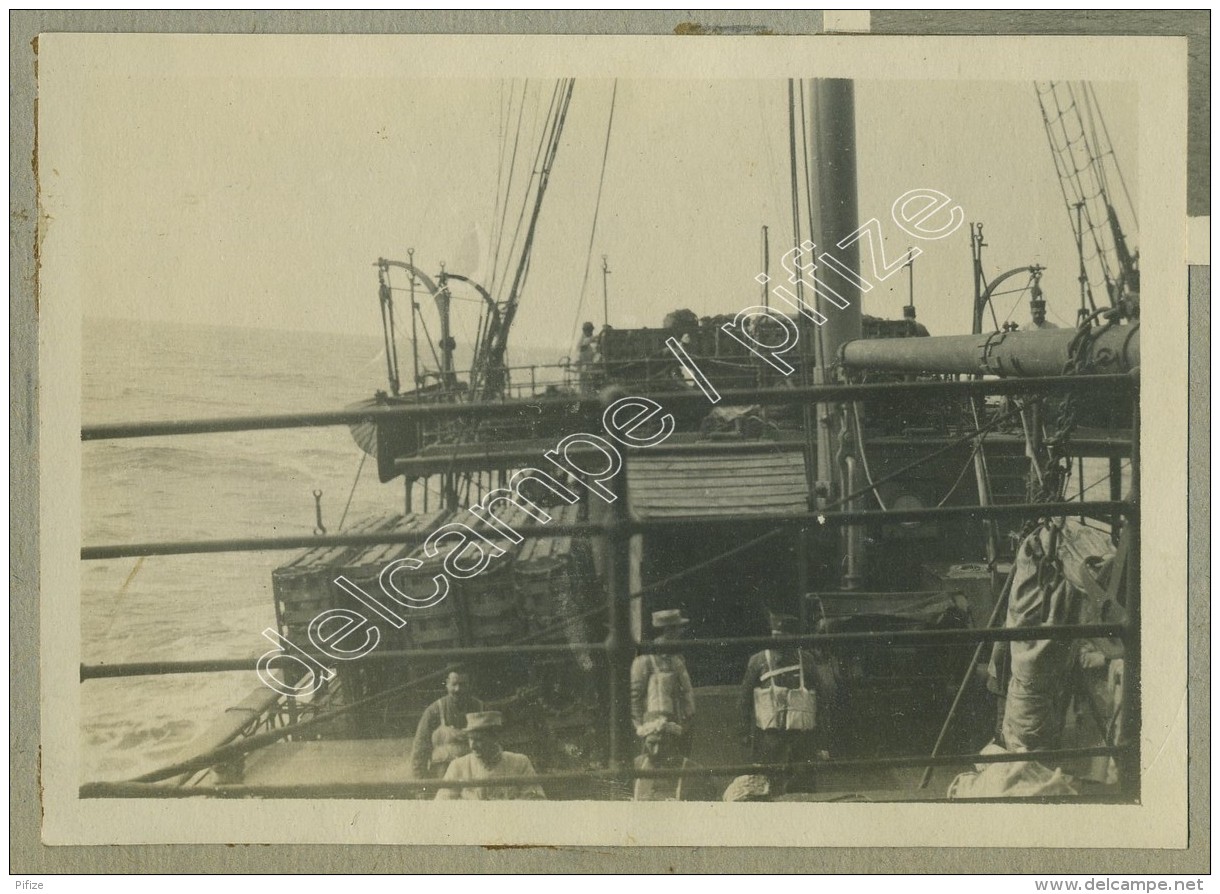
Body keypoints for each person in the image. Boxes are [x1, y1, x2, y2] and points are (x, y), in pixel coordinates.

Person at [739, 611, 840, 795]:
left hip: (801, 740)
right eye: (774, 636)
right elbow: (744, 699)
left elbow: (823, 700)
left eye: (782, 637)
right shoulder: (758, 661)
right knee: (768, 788)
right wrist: (744, 731)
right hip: (770, 741)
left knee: (803, 788)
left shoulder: (807, 661)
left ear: (792, 637)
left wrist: (822, 741)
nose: (777, 641)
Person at [435, 711, 546, 800]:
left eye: (479, 740)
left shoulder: (520, 763)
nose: (473, 746)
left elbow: (536, 803)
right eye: (470, 739)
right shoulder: (458, 766)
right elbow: (443, 806)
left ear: (495, 738)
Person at [630, 609, 696, 755]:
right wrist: (641, 728)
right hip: (655, 730)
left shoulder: (677, 660)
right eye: (677, 629)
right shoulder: (644, 661)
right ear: (667, 631)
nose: (680, 634)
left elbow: (686, 692)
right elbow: (634, 697)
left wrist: (688, 720)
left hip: (678, 726)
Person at [410, 669, 483, 782]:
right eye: (454, 684)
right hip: (442, 775)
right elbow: (420, 748)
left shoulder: (480, 708)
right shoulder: (434, 710)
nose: (458, 689)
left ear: (469, 685)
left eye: (462, 684)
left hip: (473, 774)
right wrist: (420, 785)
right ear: (447, 684)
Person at [632, 713, 715, 801]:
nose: (656, 751)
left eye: (663, 744)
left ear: (674, 743)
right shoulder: (634, 766)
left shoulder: (695, 771)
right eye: (651, 743)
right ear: (645, 742)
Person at [576, 321, 601, 393]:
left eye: (590, 330)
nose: (589, 331)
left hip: (591, 367)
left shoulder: (592, 340)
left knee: (589, 386)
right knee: (585, 387)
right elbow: (584, 344)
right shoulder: (584, 340)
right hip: (586, 367)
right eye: (587, 330)